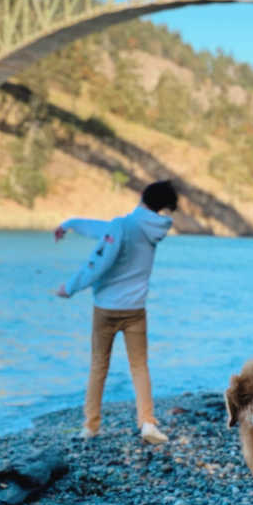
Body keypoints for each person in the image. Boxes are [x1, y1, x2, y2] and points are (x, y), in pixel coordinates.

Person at [54, 180, 179, 445]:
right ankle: (147, 423)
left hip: (107, 309)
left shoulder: (123, 225)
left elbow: (99, 262)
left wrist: (70, 287)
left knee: (99, 365)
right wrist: (70, 224)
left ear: (141, 195)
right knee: (139, 367)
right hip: (136, 309)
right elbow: (103, 229)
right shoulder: (151, 228)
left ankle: (90, 426)